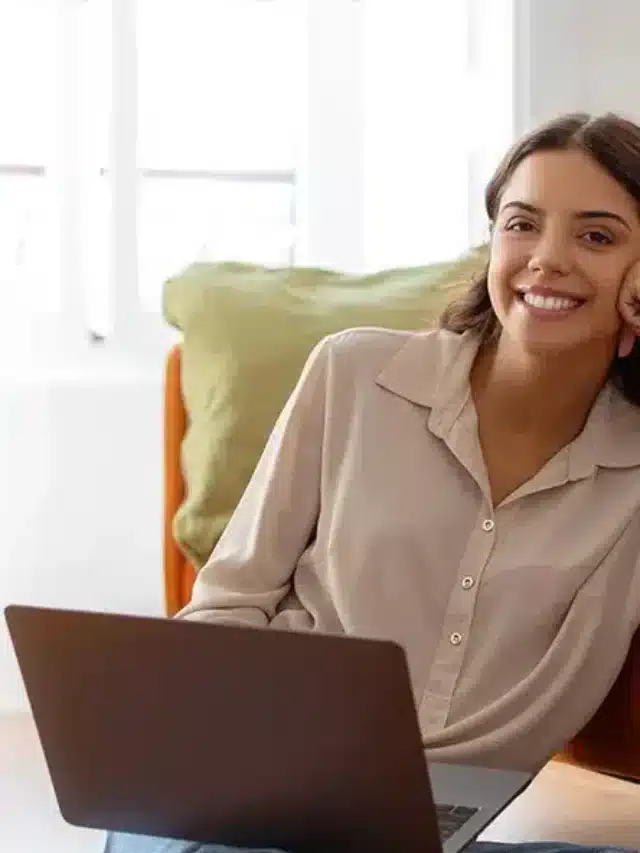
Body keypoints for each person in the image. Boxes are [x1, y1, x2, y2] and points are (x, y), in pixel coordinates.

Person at [106, 112, 640, 853]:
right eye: (522, 224)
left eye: (597, 235)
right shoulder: (355, 374)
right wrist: (220, 759)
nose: (546, 259)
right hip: (257, 789)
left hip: (433, 831)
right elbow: (227, 604)